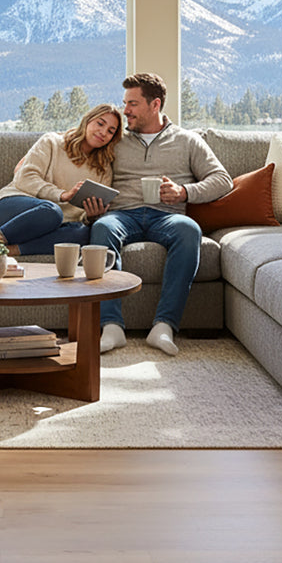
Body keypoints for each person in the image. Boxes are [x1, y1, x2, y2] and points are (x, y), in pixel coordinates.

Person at [92, 73, 232, 356]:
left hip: (167, 216)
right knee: (102, 228)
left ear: (154, 104)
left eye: (132, 103)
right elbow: (77, 147)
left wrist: (184, 192)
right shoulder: (115, 139)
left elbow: (222, 179)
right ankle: (111, 327)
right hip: (124, 214)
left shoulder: (187, 141)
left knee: (189, 230)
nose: (125, 110)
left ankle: (164, 327)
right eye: (125, 103)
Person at [0, 103, 124, 255]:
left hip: (56, 224)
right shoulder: (52, 142)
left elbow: (83, 218)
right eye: (100, 123)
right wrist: (62, 195)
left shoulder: (103, 169)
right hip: (12, 208)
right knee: (53, 212)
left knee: (84, 234)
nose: (103, 132)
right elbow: (24, 177)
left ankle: (10, 250)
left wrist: (91, 216)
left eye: (110, 131)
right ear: (87, 120)